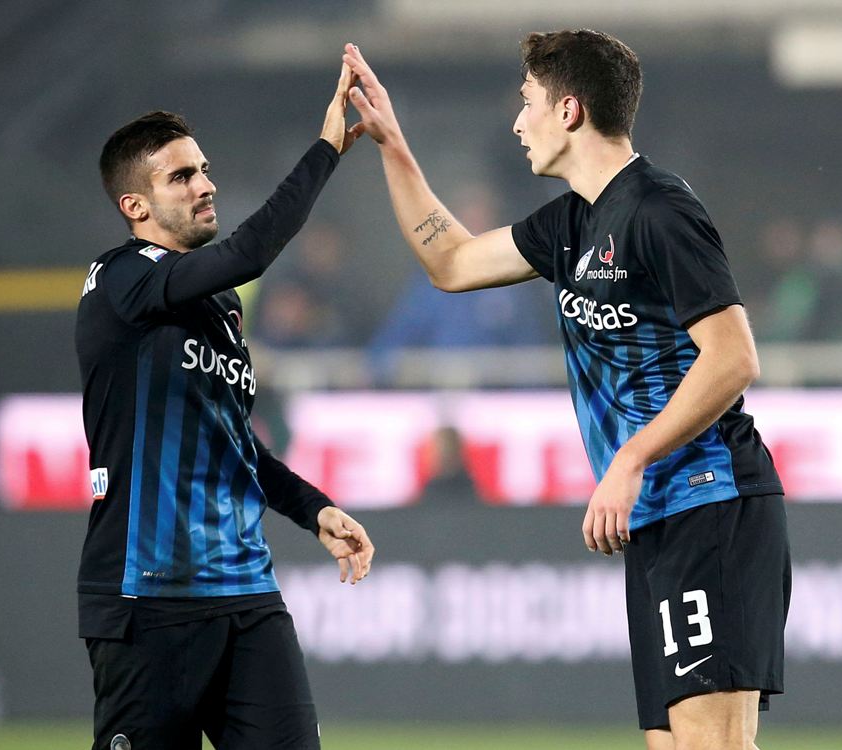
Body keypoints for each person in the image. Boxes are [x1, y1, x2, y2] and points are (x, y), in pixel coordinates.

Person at [343, 31, 789, 750]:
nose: (518, 123)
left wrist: (629, 459)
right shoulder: (571, 224)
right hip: (656, 519)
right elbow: (452, 262)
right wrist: (392, 143)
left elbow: (733, 357)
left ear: (570, 110)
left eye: (527, 104)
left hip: (712, 504)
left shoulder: (659, 210)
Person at [75, 62, 374, 750]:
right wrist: (326, 147)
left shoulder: (219, 305)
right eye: (181, 176)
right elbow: (252, 249)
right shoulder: (119, 279)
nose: (206, 184)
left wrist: (315, 509)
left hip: (244, 595)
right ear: (135, 207)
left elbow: (237, 444)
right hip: (146, 599)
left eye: (203, 169)